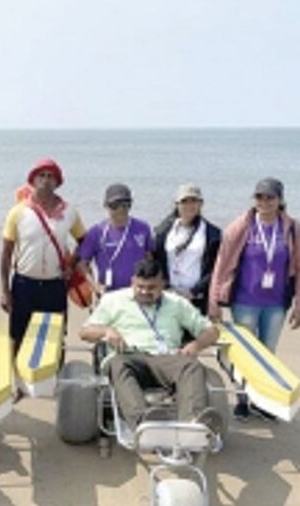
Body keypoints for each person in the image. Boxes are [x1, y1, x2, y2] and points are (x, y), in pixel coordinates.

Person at [80, 258, 222, 436]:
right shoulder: (113, 300)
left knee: (192, 366)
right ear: (133, 281)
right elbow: (84, 332)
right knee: (118, 365)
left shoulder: (176, 303)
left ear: (162, 284)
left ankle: (193, 424)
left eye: (152, 288)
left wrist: (197, 344)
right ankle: (143, 424)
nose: (145, 291)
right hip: (129, 356)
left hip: (166, 359)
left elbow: (211, 330)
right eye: (140, 286)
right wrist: (106, 331)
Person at [209, 177, 300, 420]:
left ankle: (264, 401)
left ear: (280, 200)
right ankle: (243, 400)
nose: (264, 202)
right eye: (260, 197)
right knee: (245, 354)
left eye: (270, 197)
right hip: (244, 301)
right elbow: (221, 264)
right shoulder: (241, 226)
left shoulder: (292, 228)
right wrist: (214, 300)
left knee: (268, 353)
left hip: (276, 303)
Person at [0, 158, 86, 354]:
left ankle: (54, 382)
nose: (46, 180)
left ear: (57, 182)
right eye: (41, 176)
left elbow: (85, 242)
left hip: (54, 285)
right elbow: (6, 253)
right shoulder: (18, 212)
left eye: (51, 176)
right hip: (23, 285)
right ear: (33, 180)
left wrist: (72, 264)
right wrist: (5, 291)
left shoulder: (69, 212)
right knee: (19, 336)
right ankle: (20, 384)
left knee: (55, 338)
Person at [153, 182, 222, 315]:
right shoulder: (163, 231)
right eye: (184, 201)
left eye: (194, 201)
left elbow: (215, 268)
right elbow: (157, 261)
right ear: (177, 204)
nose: (189, 205)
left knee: (196, 335)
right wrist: (165, 286)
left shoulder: (212, 234)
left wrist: (194, 292)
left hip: (196, 298)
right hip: (169, 295)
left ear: (201, 204)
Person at [76, 183, 152, 299]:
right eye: (115, 205)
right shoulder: (96, 232)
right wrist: (95, 286)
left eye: (125, 205)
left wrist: (148, 286)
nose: (120, 209)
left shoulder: (143, 228)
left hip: (137, 293)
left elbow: (149, 259)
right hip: (107, 294)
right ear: (105, 205)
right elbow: (82, 264)